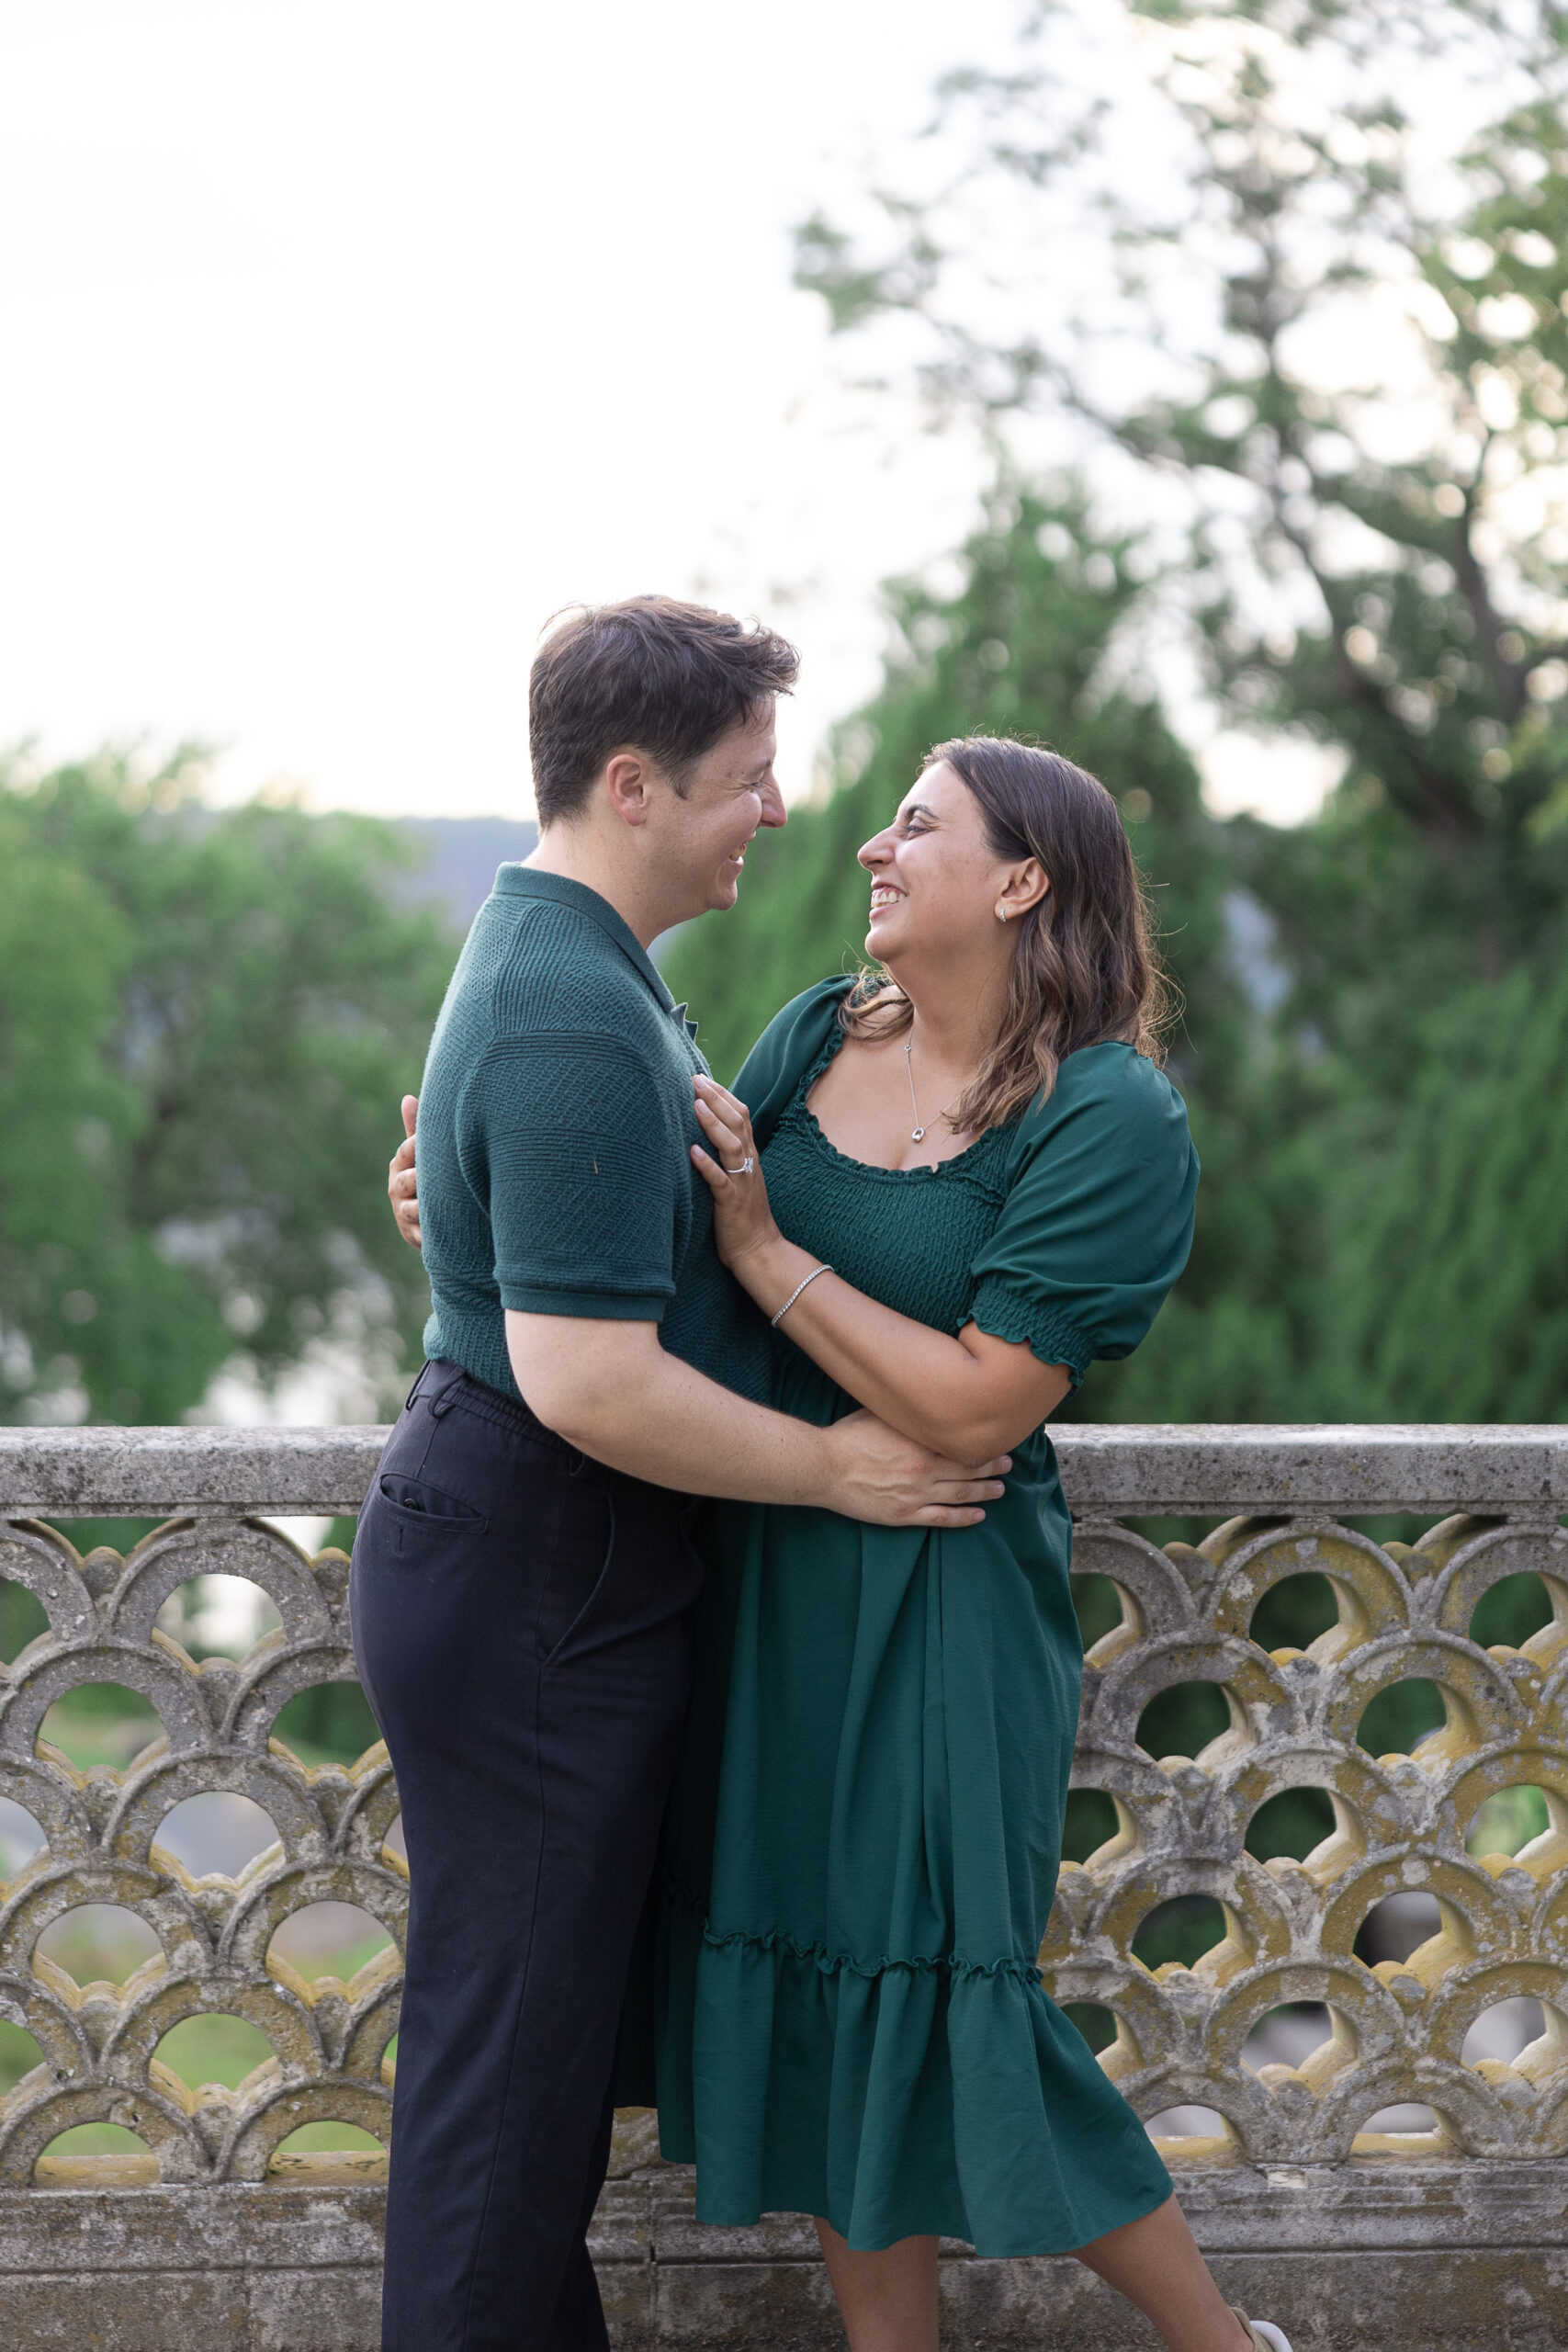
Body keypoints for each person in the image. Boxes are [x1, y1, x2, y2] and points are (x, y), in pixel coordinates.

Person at [389, 730, 1294, 2352]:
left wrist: (760, 1245)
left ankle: (1227, 2349)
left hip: (936, 1589)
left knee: (956, 2006)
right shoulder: (814, 1032)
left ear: (1021, 880)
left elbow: (974, 1409)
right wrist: (468, 1199)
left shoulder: (1109, 1117)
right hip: (764, 1573)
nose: (867, 847)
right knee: (814, 1995)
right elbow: (631, 1248)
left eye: (914, 826)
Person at [352, 598, 1011, 2352]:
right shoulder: (575, 1006)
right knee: (508, 2092)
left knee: (534, 2071)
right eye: (749, 778)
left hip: (529, 1564)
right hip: (535, 1572)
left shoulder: (571, 958)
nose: (782, 811)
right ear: (634, 786)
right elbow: (584, 1377)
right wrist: (833, 1472)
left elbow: (534, 1229)